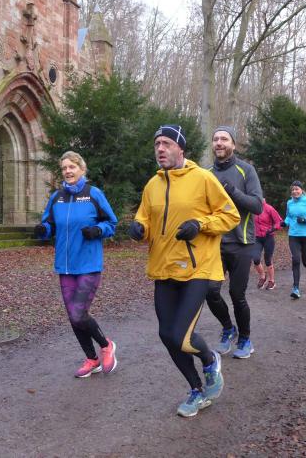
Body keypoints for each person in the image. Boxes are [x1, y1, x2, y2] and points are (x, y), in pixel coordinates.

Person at [128, 124, 239, 417]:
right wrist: (139, 229)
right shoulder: (152, 185)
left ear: (180, 148)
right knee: (167, 335)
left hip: (197, 268)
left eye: (166, 143)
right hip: (163, 268)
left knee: (182, 337)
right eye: (157, 144)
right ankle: (196, 390)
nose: (160, 149)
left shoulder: (203, 178)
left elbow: (230, 216)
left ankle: (210, 359)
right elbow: (144, 219)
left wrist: (200, 225)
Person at [34, 151, 119, 378]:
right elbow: (49, 224)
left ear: (82, 169)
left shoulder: (93, 194)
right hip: (65, 266)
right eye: (64, 168)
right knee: (73, 315)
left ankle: (106, 346)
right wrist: (44, 230)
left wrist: (98, 230)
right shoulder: (57, 197)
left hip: (88, 264)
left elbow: (111, 223)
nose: (67, 171)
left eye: (72, 167)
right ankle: (92, 359)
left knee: (79, 313)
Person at [205, 126, 264, 359]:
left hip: (241, 242)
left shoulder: (246, 170)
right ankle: (228, 328)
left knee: (237, 294)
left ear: (233, 145)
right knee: (210, 291)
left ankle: (245, 339)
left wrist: (232, 191)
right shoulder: (206, 173)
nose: (219, 143)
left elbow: (257, 206)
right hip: (214, 242)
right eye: (216, 139)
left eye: (224, 139)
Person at [284, 181, 306, 299]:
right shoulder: (289, 202)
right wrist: (285, 222)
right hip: (293, 235)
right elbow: (289, 216)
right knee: (296, 260)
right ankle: (296, 289)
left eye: (297, 189)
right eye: (293, 190)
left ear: (302, 190)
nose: (294, 191)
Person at [253, 198, 283, 290]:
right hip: (257, 237)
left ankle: (272, 281)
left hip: (268, 237)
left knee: (267, 259)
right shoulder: (252, 208)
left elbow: (279, 222)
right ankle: (262, 276)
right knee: (255, 259)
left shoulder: (269, 208)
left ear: (263, 198)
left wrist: (273, 229)